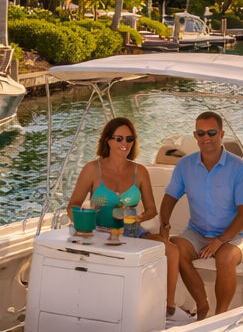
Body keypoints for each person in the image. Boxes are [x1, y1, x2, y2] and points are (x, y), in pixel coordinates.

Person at [160, 111, 243, 320]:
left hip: (236, 236)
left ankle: (220, 315)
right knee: (175, 249)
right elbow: (169, 198)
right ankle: (202, 306)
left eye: (212, 132)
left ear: (221, 134)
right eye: (201, 133)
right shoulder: (185, 166)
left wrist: (220, 241)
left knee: (225, 257)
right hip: (198, 232)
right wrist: (164, 227)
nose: (206, 137)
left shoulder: (241, 169)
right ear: (195, 136)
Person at [68, 119, 179, 287]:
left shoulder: (140, 171)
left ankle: (168, 307)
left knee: (172, 251)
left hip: (134, 231)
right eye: (119, 138)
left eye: (129, 139)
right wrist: (83, 222)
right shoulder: (92, 169)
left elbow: (151, 210)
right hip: (100, 233)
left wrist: (138, 219)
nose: (124, 143)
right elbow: (73, 205)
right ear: (108, 140)